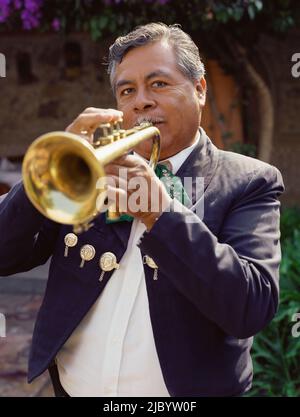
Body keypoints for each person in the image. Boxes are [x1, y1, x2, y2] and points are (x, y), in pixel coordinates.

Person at [0, 22, 284, 397]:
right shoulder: (94, 174)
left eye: (159, 84)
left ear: (199, 90)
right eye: (127, 90)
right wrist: (50, 177)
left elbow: (251, 306)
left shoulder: (249, 181)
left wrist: (161, 214)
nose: (141, 101)